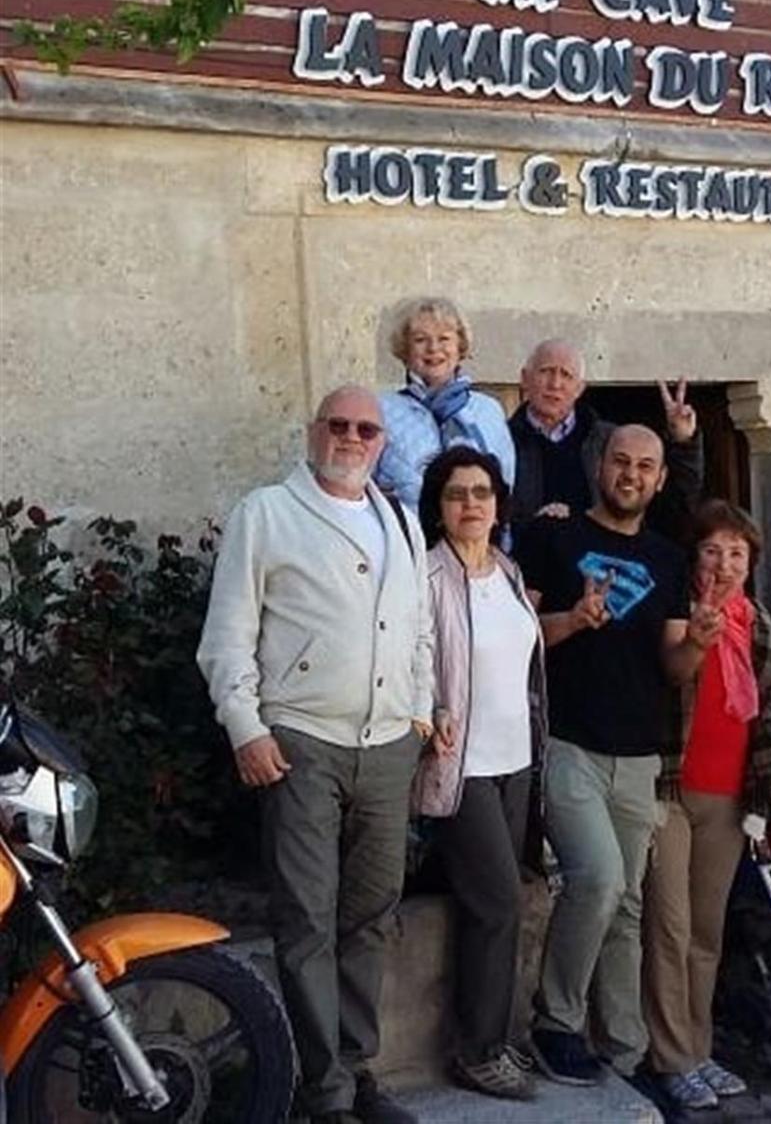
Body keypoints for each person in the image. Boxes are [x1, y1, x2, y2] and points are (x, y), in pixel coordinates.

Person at [196, 385, 431, 1124]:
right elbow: (227, 634)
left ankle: (357, 1071)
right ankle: (325, 1092)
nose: (352, 438)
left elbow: (420, 631)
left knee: (370, 917)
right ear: (313, 431)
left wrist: (420, 713)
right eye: (339, 425)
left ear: (382, 443)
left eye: (367, 429)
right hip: (302, 742)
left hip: (388, 747)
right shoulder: (266, 513)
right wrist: (246, 726)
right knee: (306, 921)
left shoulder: (402, 521)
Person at [515, 425, 720, 1087]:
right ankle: (556, 1022)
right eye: (621, 461)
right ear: (600, 466)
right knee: (598, 879)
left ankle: (625, 1051)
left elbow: (672, 665)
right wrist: (575, 619)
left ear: (660, 480)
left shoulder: (666, 559)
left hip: (638, 755)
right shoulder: (555, 538)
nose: (631, 474)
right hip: (568, 742)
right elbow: (519, 636)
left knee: (628, 905)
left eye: (645, 466)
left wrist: (699, 644)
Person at [642, 499, 771, 1111]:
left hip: (731, 793)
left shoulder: (757, 623)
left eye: (737, 553)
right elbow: (667, 675)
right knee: (669, 927)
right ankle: (669, 1056)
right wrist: (696, 640)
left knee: (707, 932)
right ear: (694, 556)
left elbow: (759, 707)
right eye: (713, 550)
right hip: (669, 786)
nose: (725, 563)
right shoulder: (675, 610)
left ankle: (699, 1048)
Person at [410, 444, 546, 1102]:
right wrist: (427, 707)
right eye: (457, 493)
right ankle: (479, 1050)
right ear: (438, 507)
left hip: (515, 762)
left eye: (482, 492)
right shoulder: (427, 577)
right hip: (459, 766)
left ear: (499, 505)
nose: (471, 503)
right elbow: (407, 656)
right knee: (498, 903)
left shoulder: (509, 572)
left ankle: (491, 1035)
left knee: (488, 904)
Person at [507, 338, 703, 535]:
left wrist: (683, 442)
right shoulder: (504, 441)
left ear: (580, 388)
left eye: (566, 375)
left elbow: (672, 507)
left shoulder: (610, 440)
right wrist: (536, 525)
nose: (555, 384)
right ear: (525, 378)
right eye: (546, 371)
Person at [375, 296, 515, 511]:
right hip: (409, 530)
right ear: (405, 350)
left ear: (460, 346)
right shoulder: (382, 410)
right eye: (420, 340)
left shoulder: (488, 411)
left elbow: (504, 486)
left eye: (444, 339)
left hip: (475, 529)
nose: (433, 348)